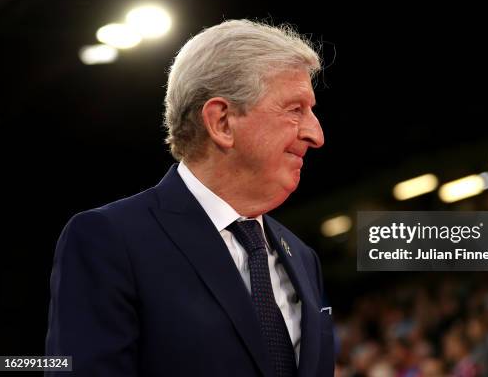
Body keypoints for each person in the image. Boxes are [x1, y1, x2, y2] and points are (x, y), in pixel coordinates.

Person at [45, 19, 334, 377]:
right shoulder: (109, 240)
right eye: (295, 109)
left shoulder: (303, 257)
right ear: (222, 122)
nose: (316, 134)